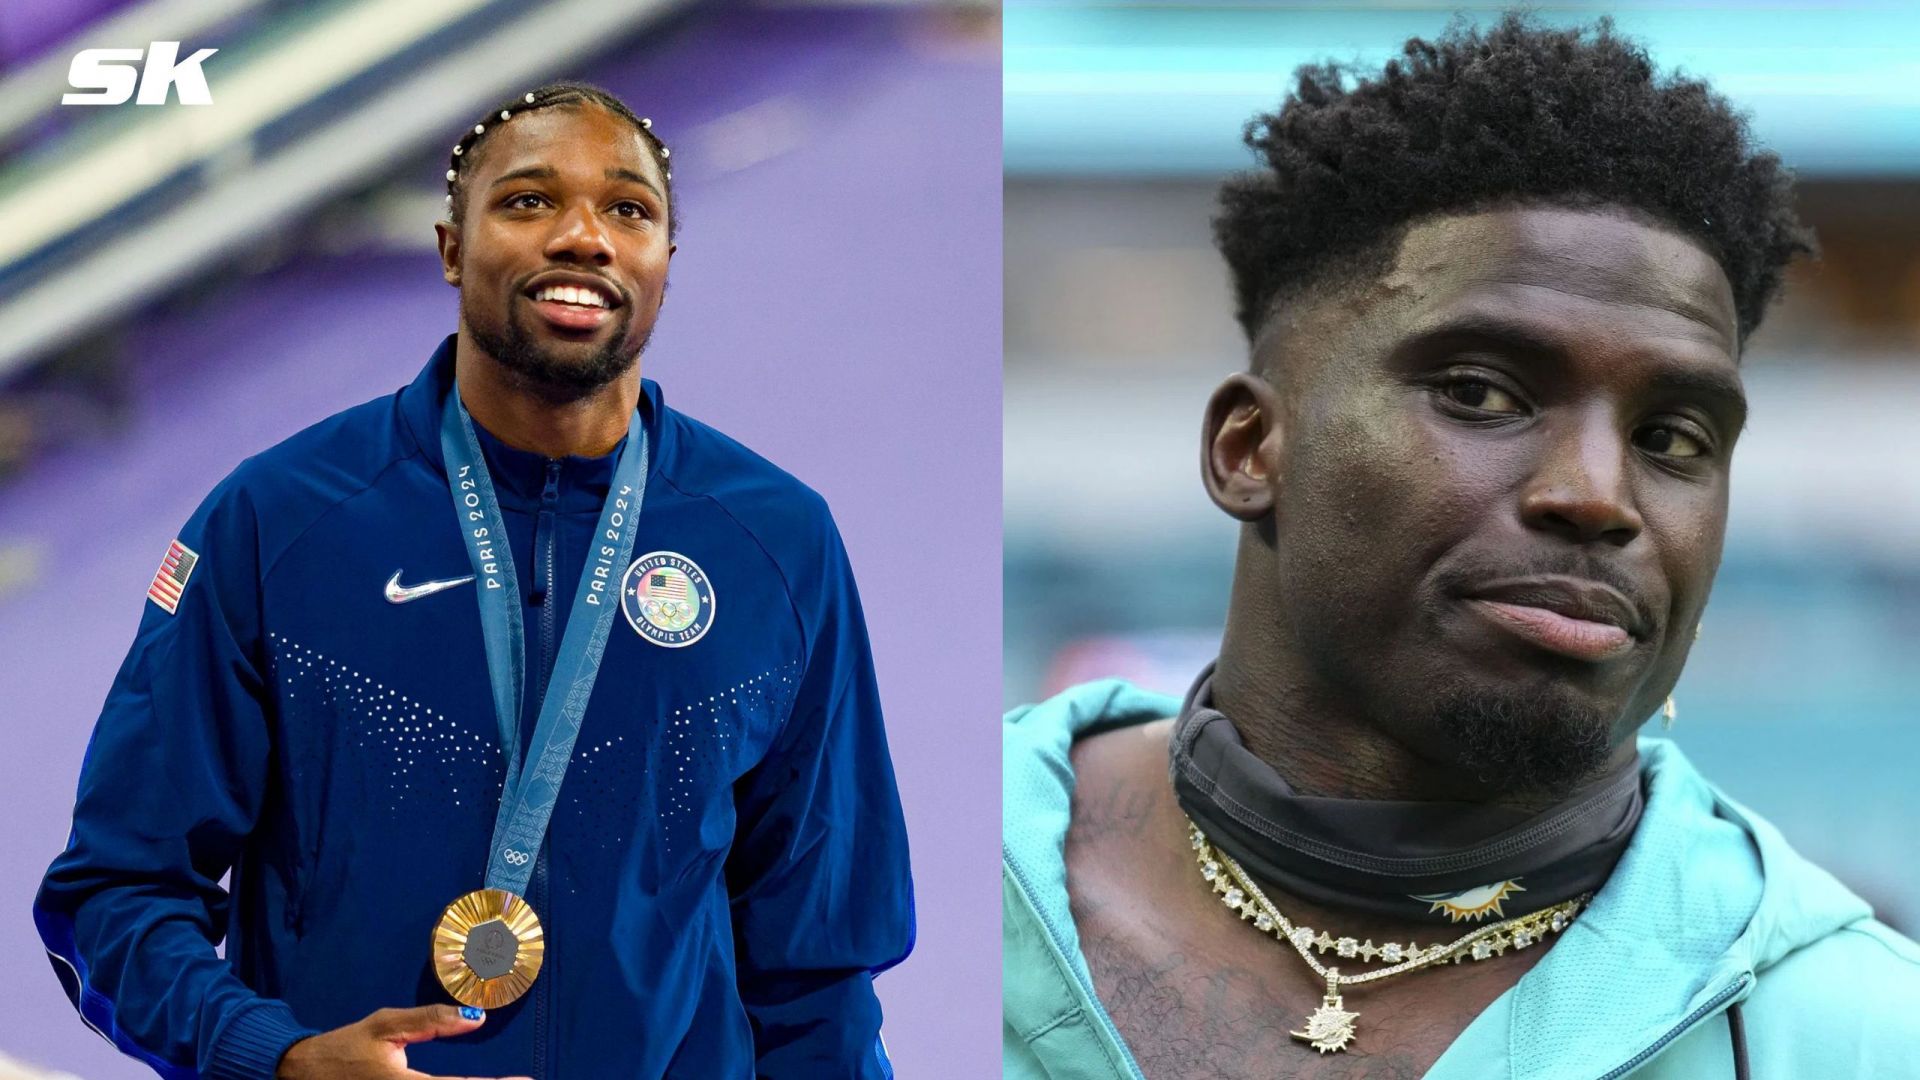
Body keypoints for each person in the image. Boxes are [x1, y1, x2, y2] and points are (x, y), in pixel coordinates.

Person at [1003, 17, 1920, 1080]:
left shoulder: (1854, 1032)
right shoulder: (913, 871)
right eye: (1481, 393)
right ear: (1251, 448)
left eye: (1672, 438)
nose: (1595, 497)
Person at [36, 81, 912, 1080]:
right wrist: (278, 1059)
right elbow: (117, 890)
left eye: (628, 209)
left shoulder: (776, 542)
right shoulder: (280, 522)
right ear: (452, 248)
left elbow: (820, 965)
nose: (583, 236)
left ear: (665, 264)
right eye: (528, 201)